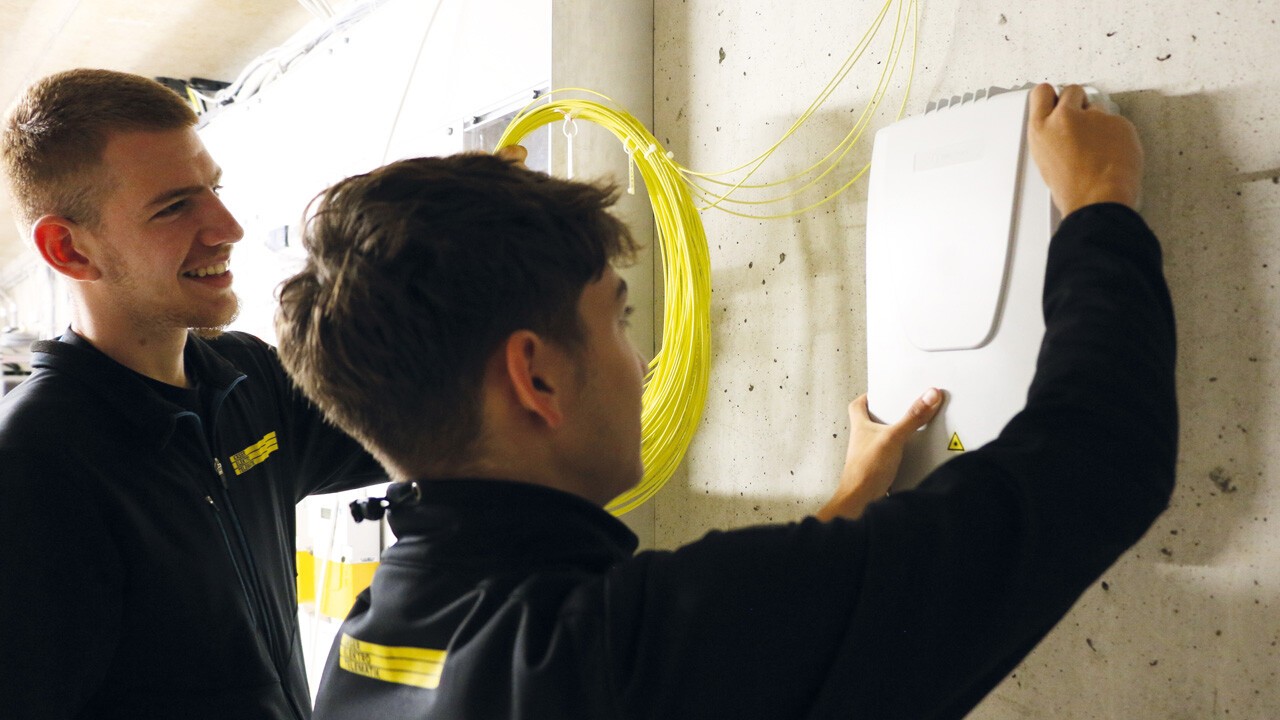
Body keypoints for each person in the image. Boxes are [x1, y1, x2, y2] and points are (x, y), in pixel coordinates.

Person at [275, 83, 1176, 719]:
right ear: (535, 377)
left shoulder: (367, 645)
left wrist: (849, 507)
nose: (640, 362)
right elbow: (1100, 466)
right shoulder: (615, 649)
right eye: (618, 321)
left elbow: (749, 661)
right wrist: (1099, 204)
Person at [0, 69, 392, 719]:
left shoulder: (247, 379)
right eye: (174, 206)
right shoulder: (37, 467)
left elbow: (423, 425)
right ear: (69, 249)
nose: (228, 226)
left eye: (214, 188)